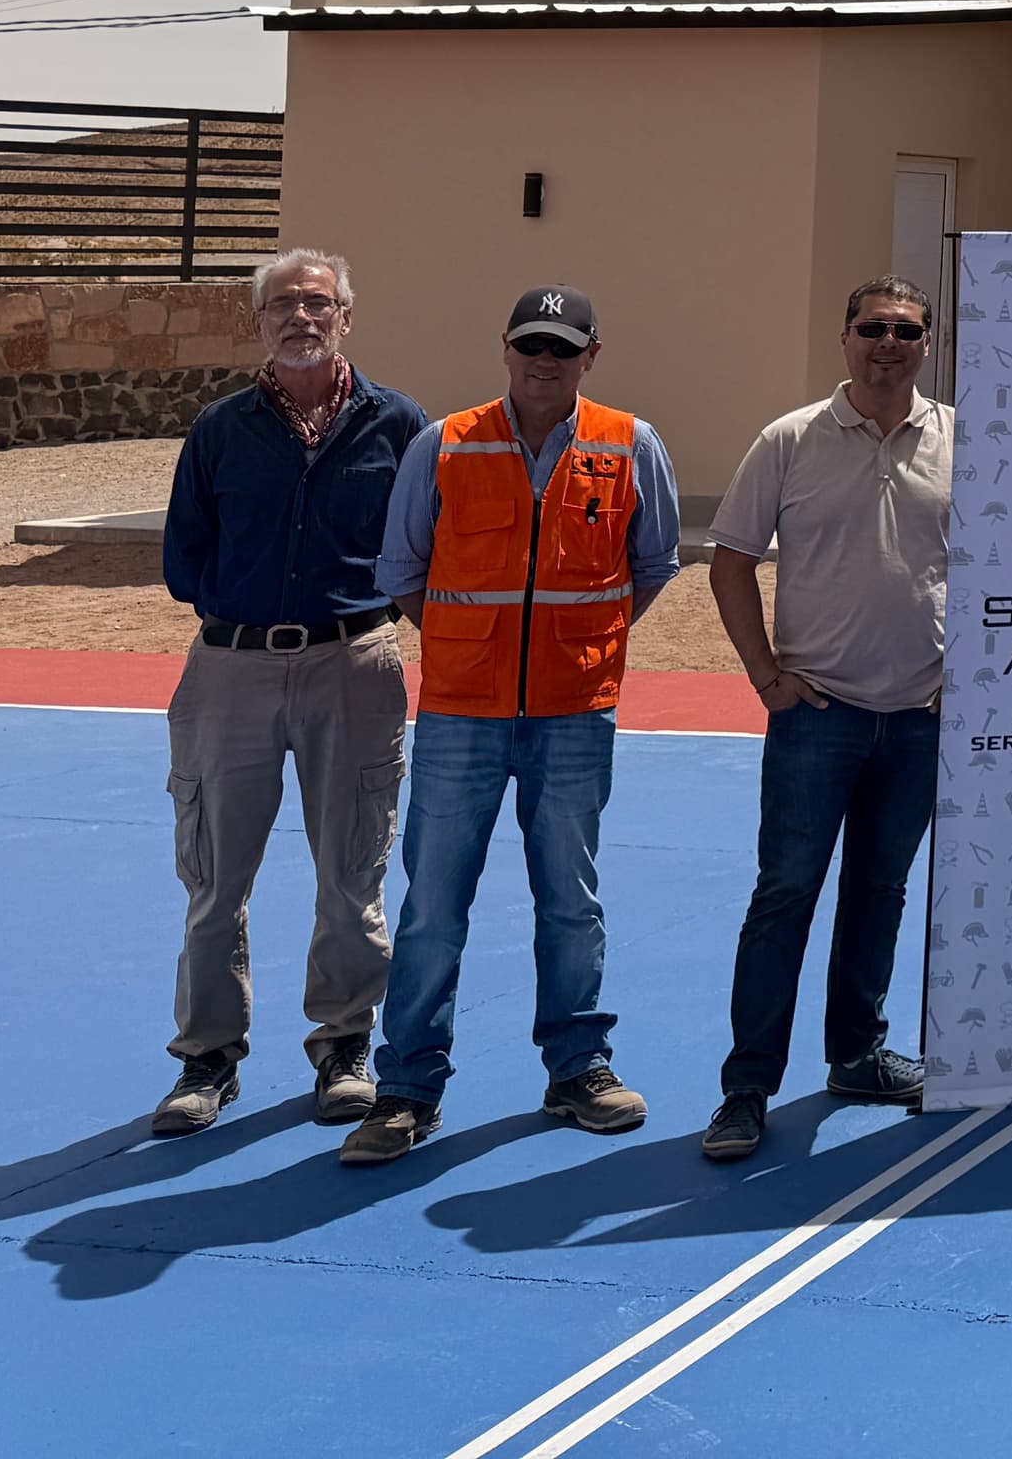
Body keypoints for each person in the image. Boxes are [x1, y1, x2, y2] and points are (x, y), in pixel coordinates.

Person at [341, 287, 680, 1164]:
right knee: (433, 906)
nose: (544, 361)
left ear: (591, 357)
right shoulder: (444, 443)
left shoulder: (631, 444)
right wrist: (473, 646)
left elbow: (652, 566)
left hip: (574, 714)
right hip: (462, 713)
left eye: (562, 349)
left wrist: (576, 648)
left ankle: (578, 1068)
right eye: (531, 344)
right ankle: (408, 1087)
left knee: (571, 901)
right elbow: (401, 568)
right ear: (505, 348)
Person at [149, 249, 430, 1138]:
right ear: (259, 322)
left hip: (354, 664)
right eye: (283, 305)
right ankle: (208, 1058)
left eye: (318, 303)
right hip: (231, 666)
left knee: (352, 872)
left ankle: (344, 1044)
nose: (300, 318)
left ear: (346, 316)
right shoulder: (221, 429)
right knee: (213, 877)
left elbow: (424, 544)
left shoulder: (400, 426)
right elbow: (184, 557)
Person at [698, 276, 956, 1163]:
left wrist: (967, 678)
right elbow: (728, 563)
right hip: (818, 715)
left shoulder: (963, 440)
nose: (890, 343)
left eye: (907, 331)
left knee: (881, 893)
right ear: (845, 338)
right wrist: (766, 677)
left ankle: (857, 1054)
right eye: (874, 328)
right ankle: (746, 1087)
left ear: (928, 342)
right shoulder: (790, 439)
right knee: (785, 897)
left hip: (920, 718)